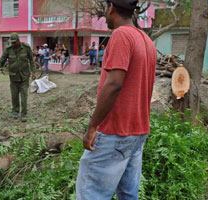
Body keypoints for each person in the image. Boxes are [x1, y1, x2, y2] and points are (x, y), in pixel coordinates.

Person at [75, 0, 157, 199]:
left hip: (115, 132)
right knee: (128, 194)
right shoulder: (145, 40)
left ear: (111, 7)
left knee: (91, 193)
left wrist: (92, 127)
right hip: (138, 132)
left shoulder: (121, 35)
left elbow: (114, 84)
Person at [0, 33, 36, 122]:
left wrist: (33, 72)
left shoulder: (26, 48)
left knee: (24, 96)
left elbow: (31, 60)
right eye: (12, 42)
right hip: (13, 76)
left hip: (25, 76)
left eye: (14, 42)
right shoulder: (8, 50)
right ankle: (15, 111)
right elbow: (1, 61)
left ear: (18, 40)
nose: (13, 44)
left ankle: (24, 114)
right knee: (14, 96)